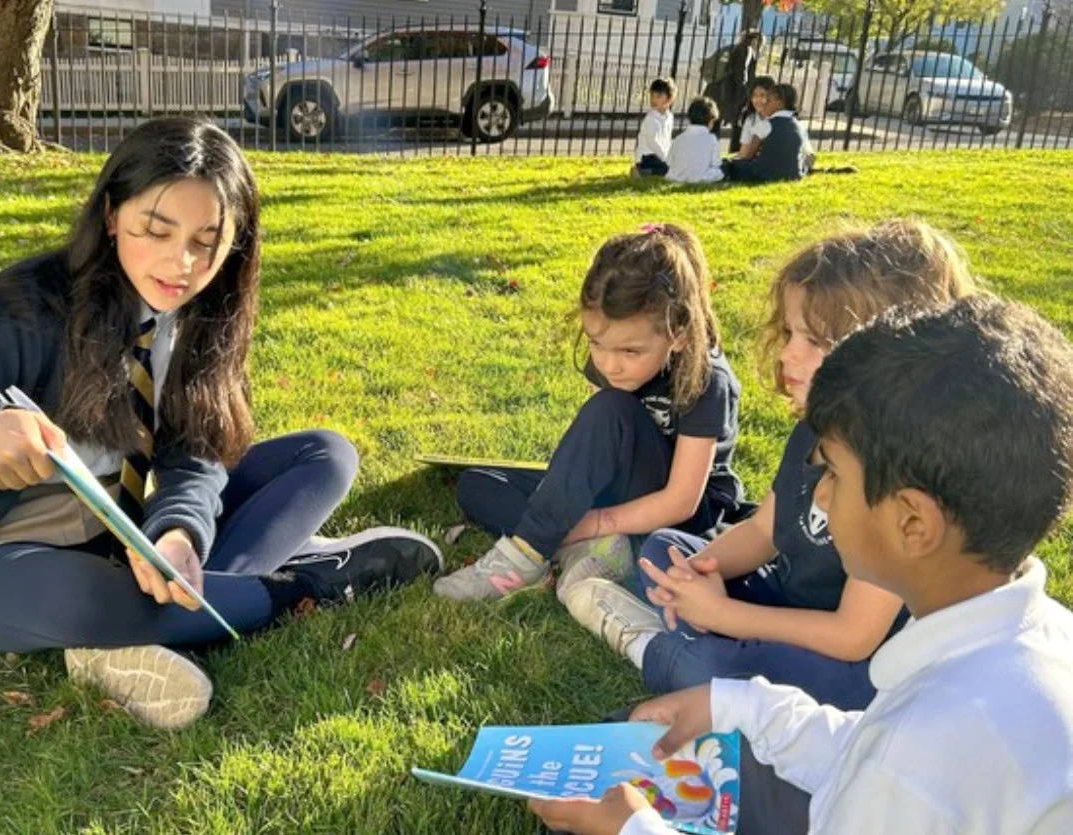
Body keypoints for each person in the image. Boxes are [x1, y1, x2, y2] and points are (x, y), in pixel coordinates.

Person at [0, 117, 442, 729]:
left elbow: (197, 454)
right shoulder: (18, 315)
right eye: (155, 231)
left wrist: (180, 533)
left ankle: (148, 624)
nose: (180, 263)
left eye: (207, 241)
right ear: (112, 216)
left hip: (125, 537)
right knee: (48, 597)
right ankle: (299, 586)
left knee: (325, 456)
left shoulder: (199, 317)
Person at [534, 296, 1073, 835]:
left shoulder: (920, 751)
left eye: (833, 474)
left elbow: (887, 765)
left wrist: (632, 830)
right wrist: (739, 704)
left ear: (913, 523)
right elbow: (861, 745)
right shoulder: (1033, 640)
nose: (821, 496)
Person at [564, 220, 977, 711]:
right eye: (790, 333)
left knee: (716, 669)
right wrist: (693, 574)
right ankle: (701, 642)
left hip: (850, 663)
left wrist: (724, 614)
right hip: (782, 599)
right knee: (663, 552)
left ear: (891, 362)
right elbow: (763, 532)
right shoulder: (815, 430)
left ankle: (649, 644)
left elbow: (853, 636)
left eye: (815, 341)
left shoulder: (903, 479)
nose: (788, 355)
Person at [434, 224, 745, 603]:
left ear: (678, 333)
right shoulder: (616, 358)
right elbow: (601, 449)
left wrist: (594, 521)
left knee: (610, 408)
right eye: (597, 344)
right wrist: (566, 502)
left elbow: (681, 501)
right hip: (621, 495)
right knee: (478, 484)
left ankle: (527, 555)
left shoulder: (707, 379)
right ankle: (593, 550)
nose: (610, 365)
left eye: (630, 352)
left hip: (681, 519)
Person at [724, 82, 812, 183]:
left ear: (779, 104)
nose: (764, 103)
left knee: (732, 165)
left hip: (765, 174)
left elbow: (747, 155)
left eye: (768, 100)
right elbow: (808, 155)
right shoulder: (800, 126)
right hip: (794, 175)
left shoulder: (766, 124)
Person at [711, 30, 763, 153]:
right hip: (735, 93)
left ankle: (713, 150)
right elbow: (741, 73)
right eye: (760, 42)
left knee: (718, 122)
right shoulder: (746, 50)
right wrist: (745, 93)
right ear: (754, 40)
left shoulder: (738, 48)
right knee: (739, 124)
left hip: (725, 91)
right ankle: (734, 150)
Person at [665, 97, 724, 185]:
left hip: (677, 176)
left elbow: (669, 161)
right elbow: (716, 163)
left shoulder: (679, 138)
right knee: (721, 170)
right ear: (711, 121)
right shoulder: (711, 139)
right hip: (701, 177)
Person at [631, 78, 678, 178]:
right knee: (668, 170)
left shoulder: (669, 117)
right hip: (647, 156)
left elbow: (667, 139)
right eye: (652, 96)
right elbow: (652, 143)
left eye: (659, 96)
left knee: (675, 166)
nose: (654, 100)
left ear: (669, 99)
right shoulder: (651, 118)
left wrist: (670, 156)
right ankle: (641, 171)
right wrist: (665, 158)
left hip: (659, 156)